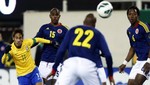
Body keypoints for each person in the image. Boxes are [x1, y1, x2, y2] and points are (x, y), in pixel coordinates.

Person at [47, 13, 114, 85]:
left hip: (70, 64)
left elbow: (61, 50)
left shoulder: (72, 30)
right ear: (94, 24)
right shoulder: (97, 34)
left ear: (83, 22)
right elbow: (108, 55)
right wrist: (110, 75)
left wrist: (54, 69)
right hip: (88, 65)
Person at [34, 8, 68, 85]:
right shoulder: (44, 27)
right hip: (43, 61)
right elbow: (36, 40)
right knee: (39, 83)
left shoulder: (64, 29)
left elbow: (69, 44)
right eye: (53, 15)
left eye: (56, 15)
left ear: (59, 16)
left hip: (56, 62)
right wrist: (27, 46)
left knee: (54, 83)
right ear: (50, 16)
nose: (55, 17)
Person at [119, 6, 150, 85]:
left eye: (134, 14)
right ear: (127, 16)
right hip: (139, 61)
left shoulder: (144, 27)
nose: (131, 16)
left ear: (138, 16)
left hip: (147, 60)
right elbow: (132, 48)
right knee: (130, 83)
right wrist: (124, 63)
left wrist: (149, 62)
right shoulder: (129, 30)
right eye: (129, 14)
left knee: (137, 82)